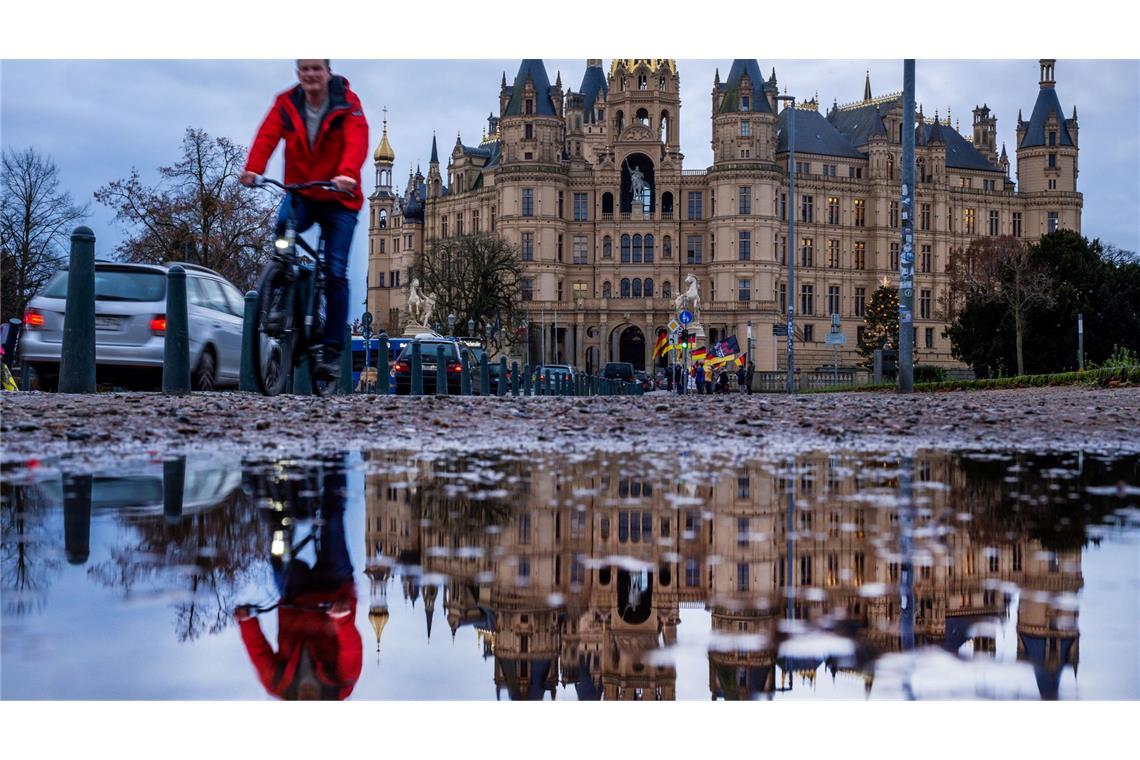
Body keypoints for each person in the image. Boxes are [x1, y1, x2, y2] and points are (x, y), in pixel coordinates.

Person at [240, 59, 369, 382]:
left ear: (328, 72)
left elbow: (357, 141)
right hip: (303, 192)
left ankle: (330, 350)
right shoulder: (287, 103)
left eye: (316, 68)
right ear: (299, 73)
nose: (311, 75)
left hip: (340, 197)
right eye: (305, 69)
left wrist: (347, 174)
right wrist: (254, 168)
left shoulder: (347, 104)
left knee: (336, 271)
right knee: (283, 232)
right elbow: (268, 134)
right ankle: (282, 291)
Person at [235, 457, 361, 700]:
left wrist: (246, 621)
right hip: (334, 591)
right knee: (332, 518)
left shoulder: (279, 685)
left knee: (277, 547)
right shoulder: (340, 686)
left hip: (296, 595)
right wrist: (342, 618)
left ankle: (266, 491)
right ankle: (336, 458)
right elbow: (351, 650)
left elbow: (259, 653)